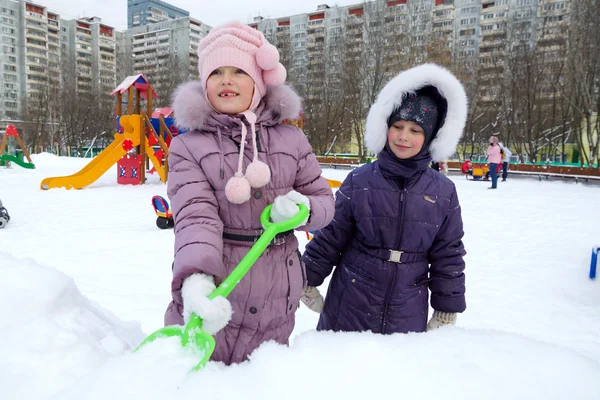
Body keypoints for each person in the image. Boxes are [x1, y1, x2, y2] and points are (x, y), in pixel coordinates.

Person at [164, 21, 335, 365]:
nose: (226, 80)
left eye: (239, 71)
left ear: (258, 83)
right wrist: (197, 278)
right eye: (217, 73)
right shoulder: (188, 146)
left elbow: (325, 203)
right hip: (222, 282)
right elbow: (195, 215)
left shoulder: (292, 140)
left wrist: (301, 208)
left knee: (262, 375)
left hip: (276, 291)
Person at [300, 63, 467, 334]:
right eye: (398, 126)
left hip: (408, 306)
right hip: (350, 301)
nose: (403, 137)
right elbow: (331, 235)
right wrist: (307, 278)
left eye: (415, 130)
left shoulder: (443, 191)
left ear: (430, 137)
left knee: (395, 376)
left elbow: (448, 252)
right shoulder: (361, 180)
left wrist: (446, 307)